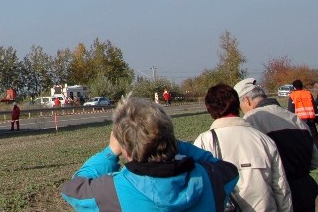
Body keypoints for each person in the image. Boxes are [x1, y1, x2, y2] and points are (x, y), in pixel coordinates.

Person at [61, 95, 237, 212]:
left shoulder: (112, 191)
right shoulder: (211, 177)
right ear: (169, 138)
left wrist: (110, 152)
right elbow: (226, 168)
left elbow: (72, 189)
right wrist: (171, 142)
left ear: (126, 150)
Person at [193, 83, 291, 212]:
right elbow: (280, 186)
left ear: (209, 109)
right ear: (237, 104)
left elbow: (198, 188)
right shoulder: (263, 139)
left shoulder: (204, 141)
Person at [235, 77, 318, 212]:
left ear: (246, 100)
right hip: (306, 190)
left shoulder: (251, 120)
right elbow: (314, 161)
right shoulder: (295, 119)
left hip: (279, 194)